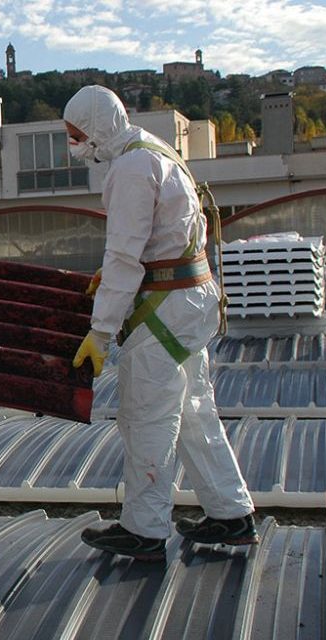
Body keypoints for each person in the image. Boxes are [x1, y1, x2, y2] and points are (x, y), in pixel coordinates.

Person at [65, 86, 256, 562]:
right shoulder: (156, 150)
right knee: (193, 412)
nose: (75, 145)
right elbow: (163, 237)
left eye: (78, 135)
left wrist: (101, 331)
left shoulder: (130, 169)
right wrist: (114, 277)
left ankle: (144, 529)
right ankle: (231, 513)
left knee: (146, 417)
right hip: (190, 302)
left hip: (165, 311)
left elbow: (125, 256)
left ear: (98, 127)